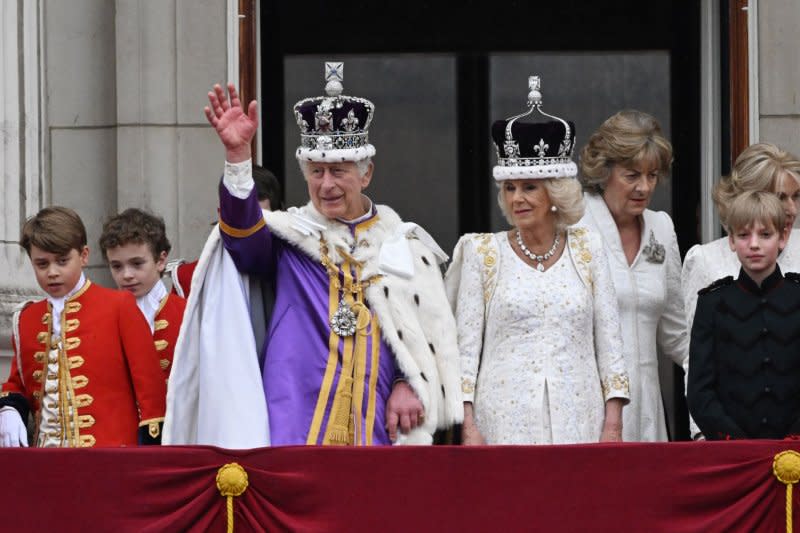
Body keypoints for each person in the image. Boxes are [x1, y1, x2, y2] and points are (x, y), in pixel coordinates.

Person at [165, 62, 463, 447]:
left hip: (378, 429)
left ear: (366, 173)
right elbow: (241, 239)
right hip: (293, 423)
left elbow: (430, 339)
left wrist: (411, 382)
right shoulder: (289, 239)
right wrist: (238, 157)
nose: (326, 185)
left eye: (339, 171)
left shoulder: (405, 247)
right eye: (316, 171)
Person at [446, 76, 629, 445]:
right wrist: (468, 427)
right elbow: (464, 353)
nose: (517, 199)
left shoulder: (587, 248)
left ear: (556, 193)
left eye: (530, 187)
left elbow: (610, 343)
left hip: (580, 419)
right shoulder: (482, 253)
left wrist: (613, 425)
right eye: (510, 188)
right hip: (502, 422)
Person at [0, 206, 166, 447]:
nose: (53, 272)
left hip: (110, 460)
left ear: (84, 255)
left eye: (62, 261)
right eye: (42, 264)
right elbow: (19, 381)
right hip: (46, 463)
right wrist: (8, 408)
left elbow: (151, 393)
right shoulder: (26, 319)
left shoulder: (119, 306)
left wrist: (149, 457)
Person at [578, 110, 689, 442]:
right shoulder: (574, 225)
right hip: (588, 407)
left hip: (647, 408)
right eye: (631, 175)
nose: (644, 187)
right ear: (603, 172)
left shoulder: (661, 227)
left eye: (652, 175)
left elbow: (677, 333)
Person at [687, 191, 800, 439]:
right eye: (743, 235)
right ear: (731, 240)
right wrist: (734, 441)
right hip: (733, 451)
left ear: (783, 237)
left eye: (765, 234)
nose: (754, 244)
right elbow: (699, 390)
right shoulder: (712, 303)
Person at [682, 143, 800, 330]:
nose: (792, 209)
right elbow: (695, 349)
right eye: (780, 198)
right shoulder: (705, 261)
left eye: (796, 196)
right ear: (749, 197)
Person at [99, 208, 186, 381]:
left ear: (161, 261)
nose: (126, 275)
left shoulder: (186, 313)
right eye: (117, 266)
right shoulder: (101, 317)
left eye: (137, 264)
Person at [169, 165, 282, 299]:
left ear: (278, 218)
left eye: (258, 221)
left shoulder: (294, 274)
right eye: (239, 219)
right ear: (221, 215)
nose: (248, 231)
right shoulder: (189, 278)